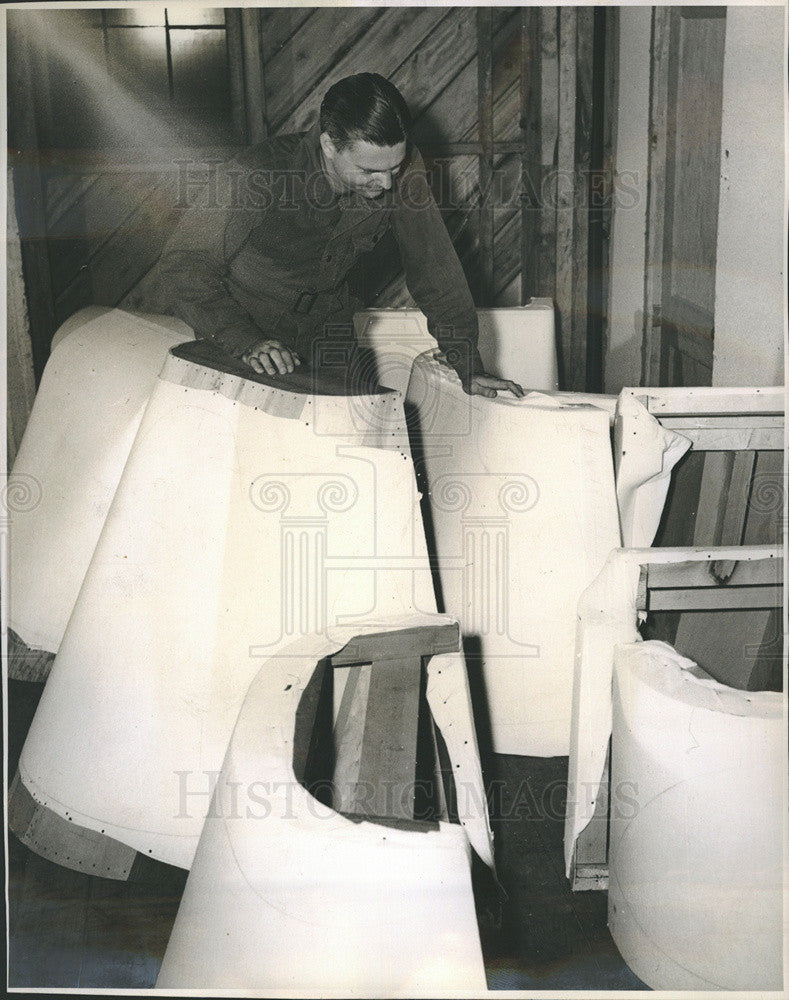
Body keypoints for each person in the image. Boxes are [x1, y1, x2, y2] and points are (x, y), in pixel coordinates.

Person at [131, 73, 524, 399]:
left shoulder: (396, 167)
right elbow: (185, 264)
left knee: (360, 437)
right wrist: (246, 340)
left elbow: (434, 268)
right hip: (246, 324)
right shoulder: (257, 174)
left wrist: (467, 365)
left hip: (329, 328)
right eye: (369, 172)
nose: (388, 183)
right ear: (329, 145)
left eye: (396, 166)